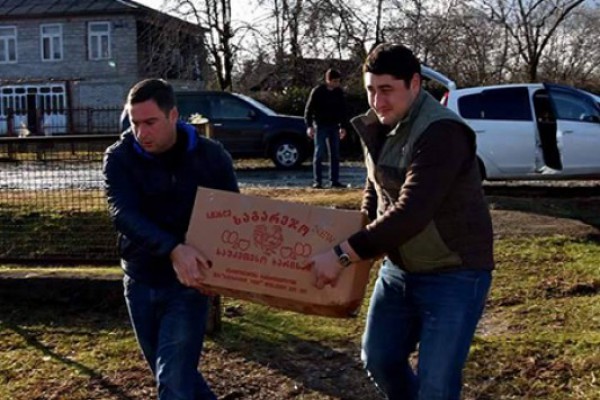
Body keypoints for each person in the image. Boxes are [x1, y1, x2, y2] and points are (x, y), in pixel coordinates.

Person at [309, 44, 494, 400]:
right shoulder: (379, 124)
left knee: (436, 385)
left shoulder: (443, 133)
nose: (377, 102)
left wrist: (344, 253)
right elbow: (375, 188)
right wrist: (355, 234)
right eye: (370, 90)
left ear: (415, 83)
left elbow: (412, 211)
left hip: (455, 272)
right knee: (379, 359)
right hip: (399, 270)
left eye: (387, 90)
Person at [103, 79, 239, 400]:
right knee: (176, 376)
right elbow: (122, 213)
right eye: (135, 123)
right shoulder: (119, 158)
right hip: (140, 279)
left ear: (173, 115)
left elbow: (232, 216)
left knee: (174, 383)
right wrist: (173, 249)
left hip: (189, 285)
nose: (141, 133)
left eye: (150, 122)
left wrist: (218, 271)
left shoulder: (211, 156)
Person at [304, 68, 350, 189]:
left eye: (338, 81)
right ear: (328, 80)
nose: (337, 83)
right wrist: (309, 126)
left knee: (335, 154)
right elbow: (308, 110)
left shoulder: (338, 92)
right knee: (319, 153)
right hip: (320, 125)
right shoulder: (318, 91)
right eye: (335, 81)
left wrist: (343, 126)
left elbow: (343, 110)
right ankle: (317, 181)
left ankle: (334, 180)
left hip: (334, 125)